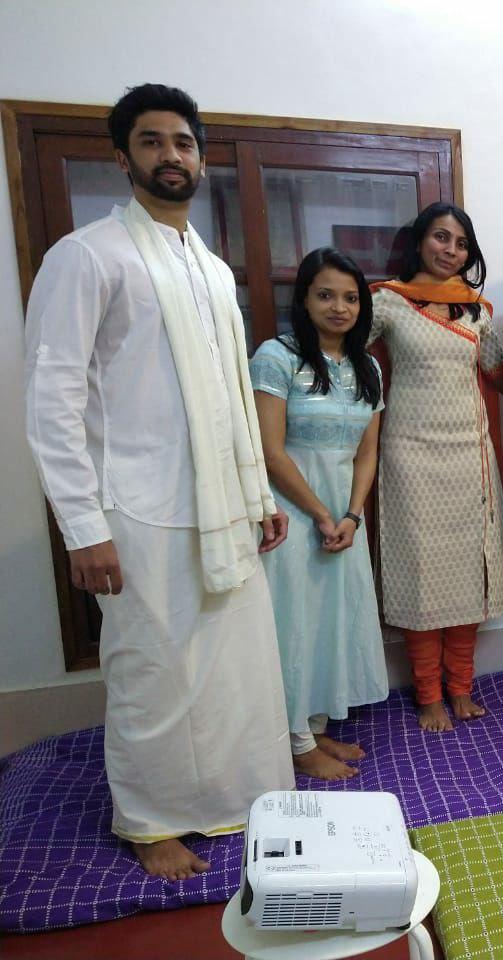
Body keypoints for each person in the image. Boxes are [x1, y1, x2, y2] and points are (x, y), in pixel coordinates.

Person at [23, 84, 292, 880]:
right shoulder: (87, 256)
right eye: (151, 141)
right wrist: (83, 527)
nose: (170, 155)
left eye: (182, 142)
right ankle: (150, 821)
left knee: (232, 668)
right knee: (152, 670)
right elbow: (51, 398)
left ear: (200, 158)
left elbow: (229, 393)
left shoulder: (205, 265)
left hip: (222, 505)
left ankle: (232, 797)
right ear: (122, 157)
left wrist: (257, 495)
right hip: (137, 510)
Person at [370, 202, 503, 732]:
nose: (450, 250)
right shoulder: (387, 302)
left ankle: (462, 688)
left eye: (461, 243)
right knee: (421, 576)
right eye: (441, 237)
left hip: (469, 457)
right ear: (420, 241)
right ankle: (429, 694)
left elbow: (501, 375)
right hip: (409, 459)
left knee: (468, 575)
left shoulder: (477, 311)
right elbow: (342, 353)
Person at [251, 248, 389, 778]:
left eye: (351, 298)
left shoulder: (367, 366)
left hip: (344, 519)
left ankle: (313, 726)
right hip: (290, 512)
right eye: (326, 295)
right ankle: (294, 741)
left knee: (331, 621)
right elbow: (270, 451)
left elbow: (367, 452)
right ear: (304, 300)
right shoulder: (276, 357)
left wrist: (352, 515)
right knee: (293, 625)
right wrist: (321, 514)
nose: (339, 307)